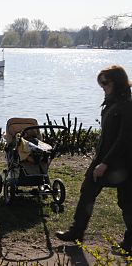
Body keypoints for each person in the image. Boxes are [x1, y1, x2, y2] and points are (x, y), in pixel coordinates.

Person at [56, 65, 132, 254]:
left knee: (127, 202)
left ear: (117, 82)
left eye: (105, 83)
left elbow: (124, 139)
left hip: (123, 164)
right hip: (103, 159)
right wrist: (99, 160)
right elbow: (107, 137)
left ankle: (130, 242)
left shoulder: (127, 106)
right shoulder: (110, 104)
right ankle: (76, 232)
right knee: (87, 191)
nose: (102, 87)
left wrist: (105, 163)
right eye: (101, 83)